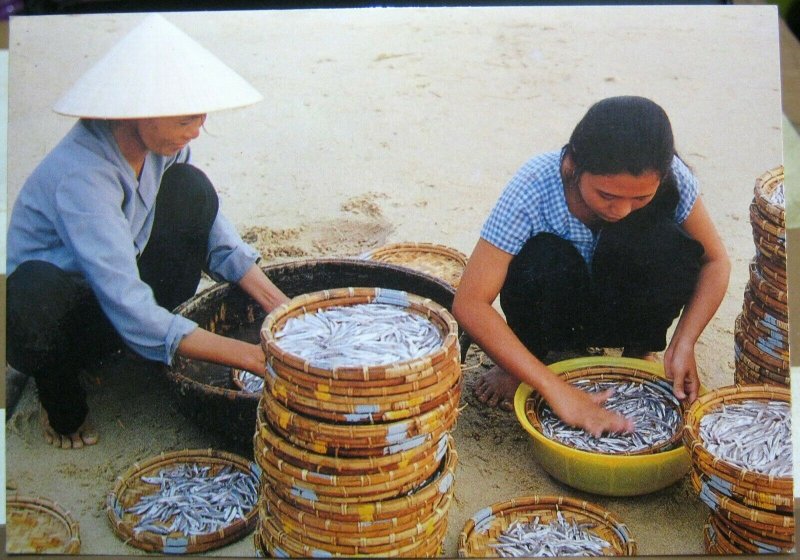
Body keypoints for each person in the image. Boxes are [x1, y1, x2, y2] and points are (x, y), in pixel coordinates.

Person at [6, 14, 290, 449]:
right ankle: (59, 397)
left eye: (200, 117)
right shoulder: (83, 175)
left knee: (193, 189)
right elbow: (124, 298)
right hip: (66, 314)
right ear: (137, 111)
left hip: (122, 283)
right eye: (184, 120)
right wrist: (253, 357)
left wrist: (280, 305)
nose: (196, 130)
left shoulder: (162, 147)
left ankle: (149, 343)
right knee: (31, 296)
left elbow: (215, 233)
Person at [452, 96, 730, 436]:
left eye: (640, 198)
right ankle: (528, 360)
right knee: (542, 255)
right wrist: (556, 389)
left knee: (666, 243)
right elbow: (469, 301)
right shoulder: (534, 184)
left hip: (619, 307)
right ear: (572, 165)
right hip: (555, 309)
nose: (622, 209)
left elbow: (716, 262)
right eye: (607, 195)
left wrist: (685, 341)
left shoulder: (674, 177)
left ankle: (639, 350)